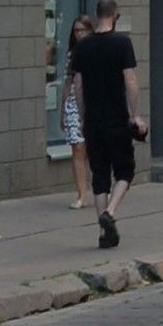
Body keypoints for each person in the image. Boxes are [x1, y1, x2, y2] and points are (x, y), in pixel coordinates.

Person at [68, 0, 147, 250]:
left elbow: (78, 85)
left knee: (99, 174)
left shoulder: (83, 46)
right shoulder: (122, 43)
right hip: (116, 120)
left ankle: (105, 234)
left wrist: (81, 117)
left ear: (97, 14)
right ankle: (110, 213)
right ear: (115, 15)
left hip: (93, 122)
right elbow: (131, 82)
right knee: (125, 170)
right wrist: (136, 115)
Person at [62, 16, 94, 208]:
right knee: (78, 148)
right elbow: (68, 81)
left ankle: (98, 189)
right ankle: (82, 194)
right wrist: (62, 109)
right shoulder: (71, 54)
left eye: (83, 30)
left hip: (93, 103)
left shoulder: (96, 52)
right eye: (76, 30)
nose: (79, 34)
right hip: (74, 104)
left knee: (92, 149)